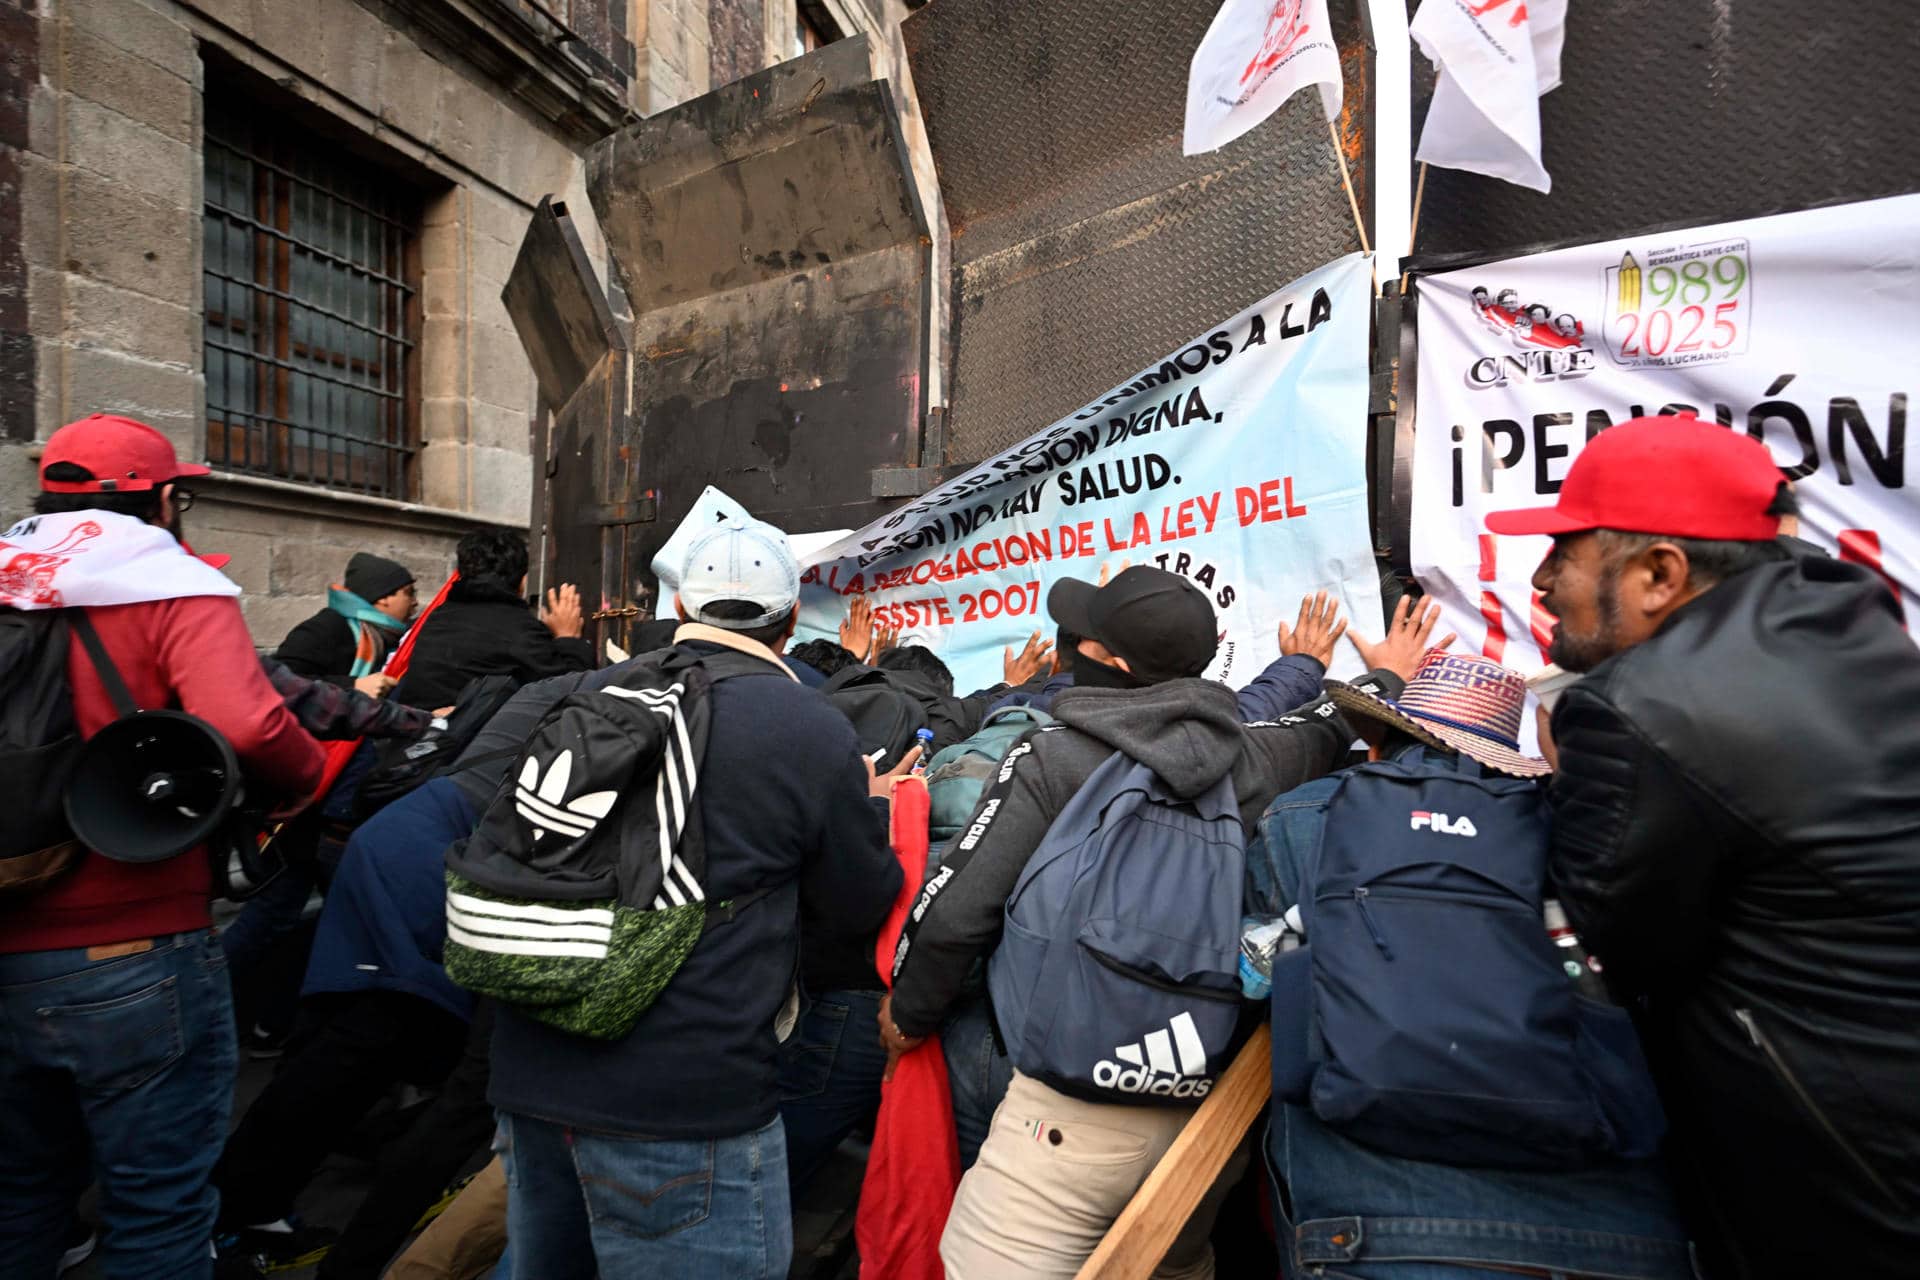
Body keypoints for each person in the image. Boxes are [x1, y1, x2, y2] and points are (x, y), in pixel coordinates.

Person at [882, 566, 1438, 1279]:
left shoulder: (1052, 753)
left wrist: (909, 1012)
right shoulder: (1255, 753)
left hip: (1062, 1112)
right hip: (1202, 1117)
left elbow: (958, 909)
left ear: (1109, 663)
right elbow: (1331, 723)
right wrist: (1388, 679)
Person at [1486, 414, 1920, 1278]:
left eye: (1565, 550)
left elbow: (1614, 963)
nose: (1540, 577)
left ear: (1659, 573)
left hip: (1843, 1188)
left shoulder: (1640, 710)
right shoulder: (1853, 629)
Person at [487, 517, 905, 1279]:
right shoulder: (808, 727)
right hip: (683, 1100)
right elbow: (858, 904)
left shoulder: (590, 690)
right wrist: (871, 812)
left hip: (532, 1072)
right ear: (787, 621)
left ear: (680, 609)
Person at [0, 414, 326, 1279]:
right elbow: (250, 725)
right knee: (158, 1212)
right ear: (168, 498)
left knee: (21, 1199)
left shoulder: (7, 575)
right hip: (132, 944)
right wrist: (300, 784)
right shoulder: (165, 582)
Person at [1252, 649, 1694, 1279]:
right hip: (1622, 1230)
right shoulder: (1589, 827)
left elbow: (1259, 972)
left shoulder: (1304, 814)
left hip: (1377, 1227)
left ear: (1376, 744)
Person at [389, 530, 594, 710]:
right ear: (522, 581)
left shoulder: (439, 616)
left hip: (415, 741)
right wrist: (568, 639)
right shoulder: (516, 629)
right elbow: (569, 691)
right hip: (462, 747)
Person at [274, 553, 418, 699]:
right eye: (409, 593)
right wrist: (353, 685)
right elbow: (280, 680)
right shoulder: (325, 628)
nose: (415, 602)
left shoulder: (395, 636)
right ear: (383, 597)